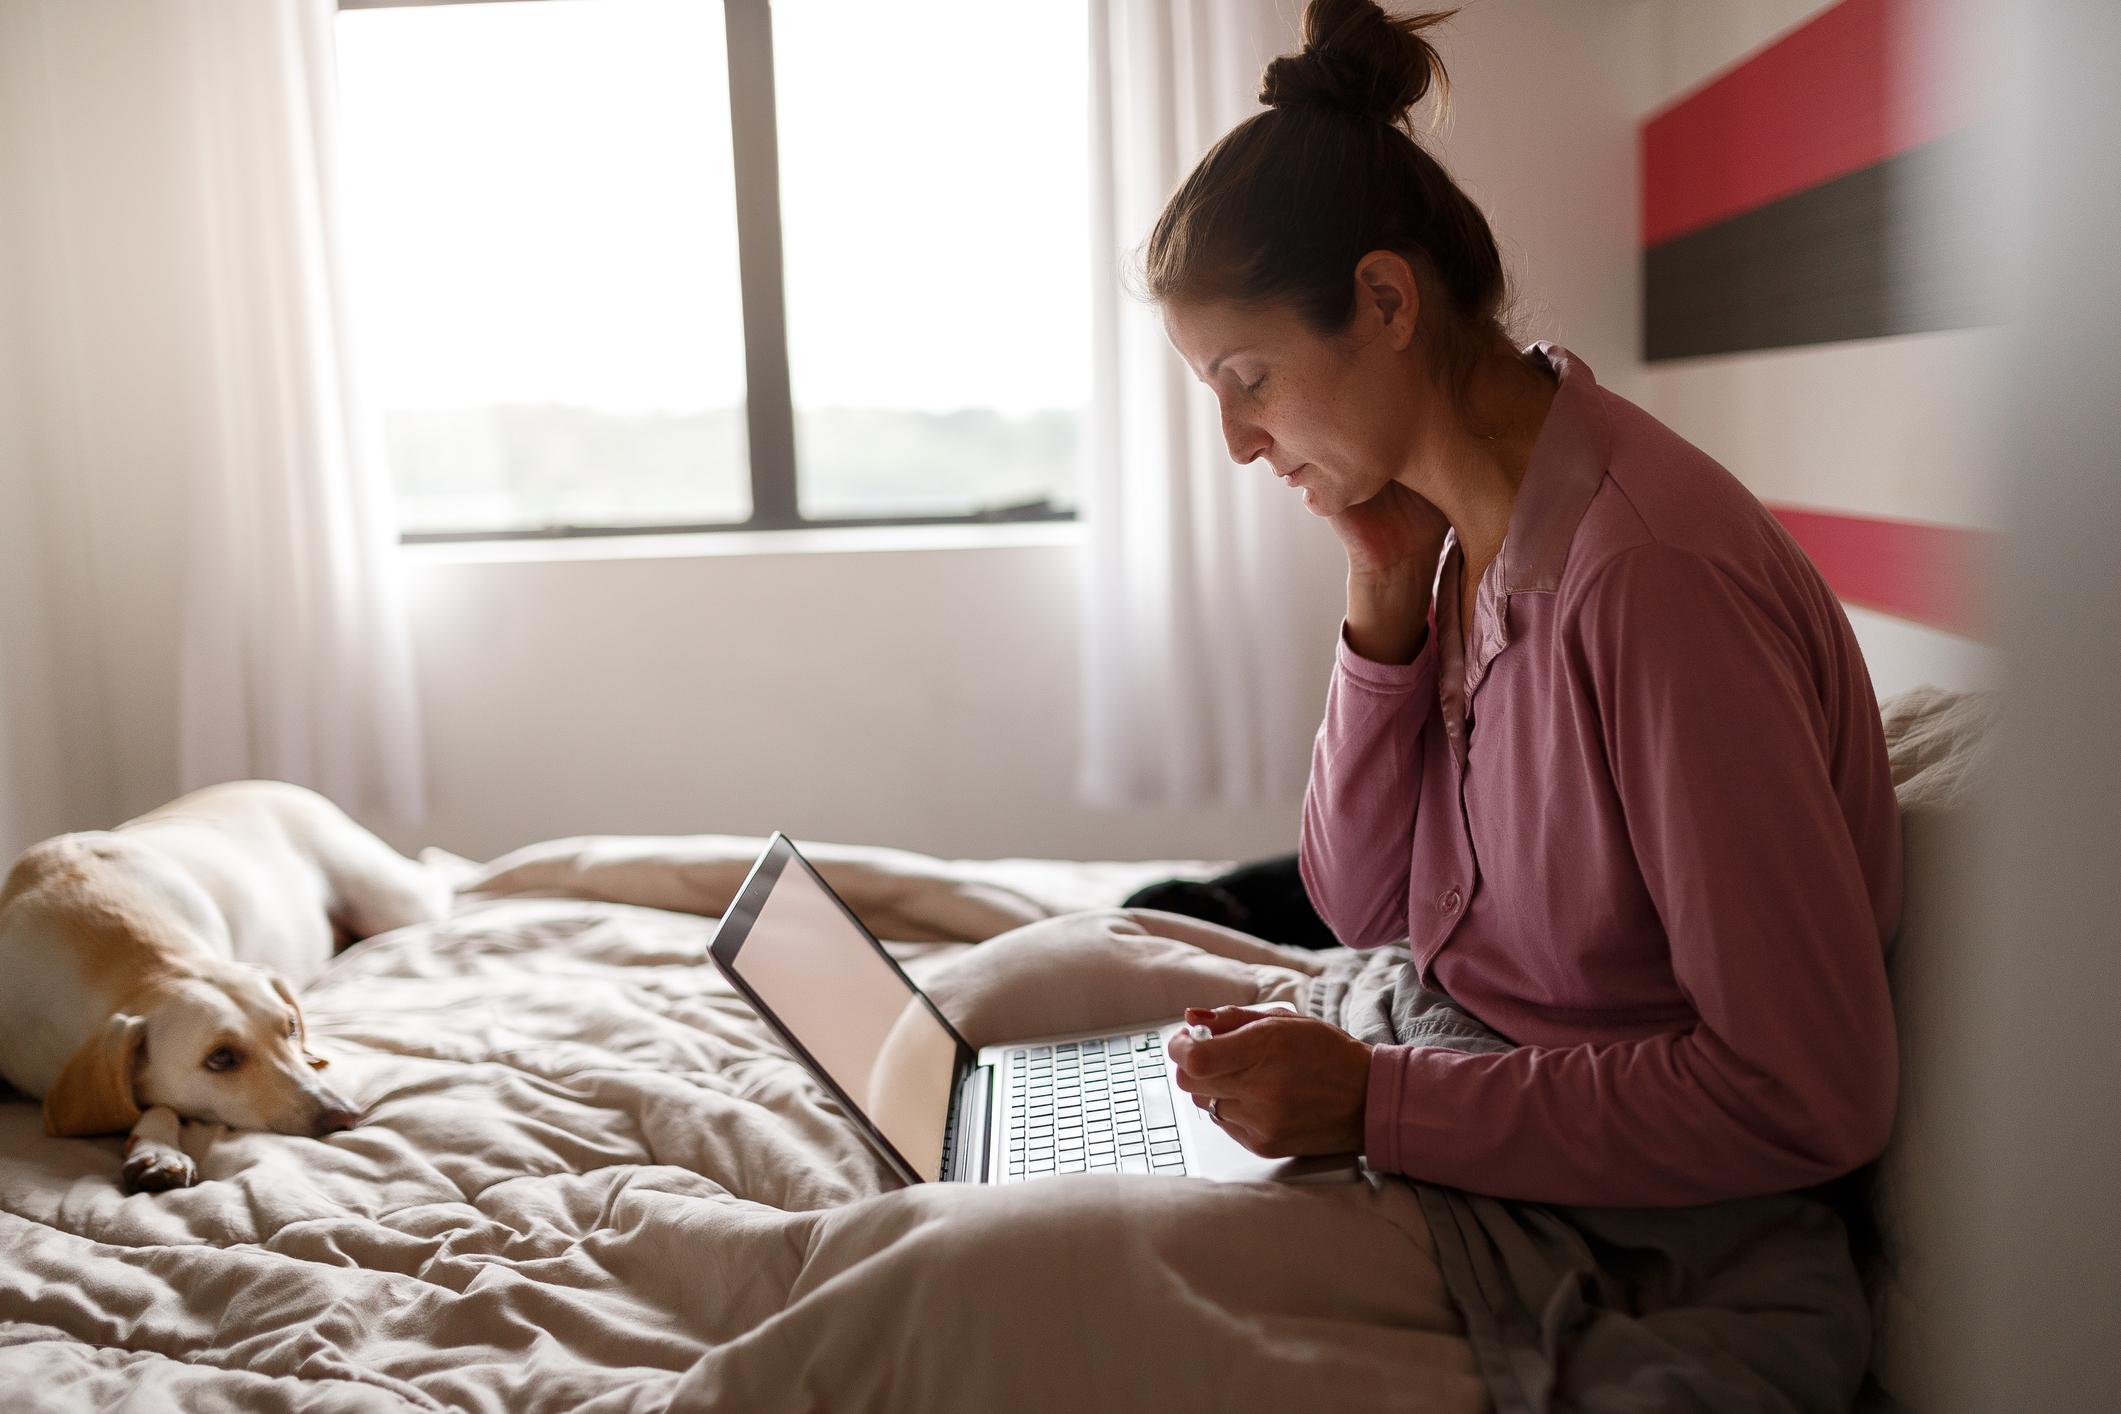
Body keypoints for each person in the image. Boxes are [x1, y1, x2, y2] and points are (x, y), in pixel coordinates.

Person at [1161, 0, 1901, 1207]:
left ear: (1389, 303)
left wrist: (1375, 1102)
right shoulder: (1462, 536)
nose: (1240, 442)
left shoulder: (1648, 584)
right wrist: (1386, 594)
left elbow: (1808, 1091)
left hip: (1623, 1180)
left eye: (1249, 380)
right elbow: (1362, 907)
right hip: (1452, 1046)